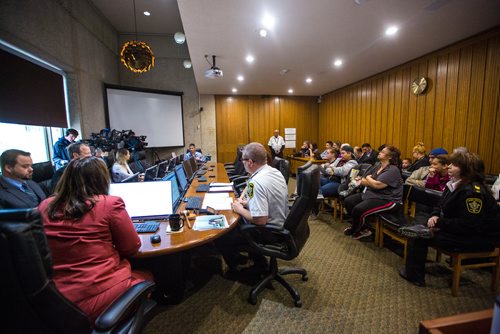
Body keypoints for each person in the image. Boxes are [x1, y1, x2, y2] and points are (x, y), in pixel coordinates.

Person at [39, 157, 152, 321]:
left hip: (54, 294)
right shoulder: (109, 204)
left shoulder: (44, 206)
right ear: (102, 179)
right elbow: (131, 248)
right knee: (147, 276)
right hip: (94, 291)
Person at [399, 151, 500, 287]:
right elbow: (440, 204)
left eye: (454, 165)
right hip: (460, 231)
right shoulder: (454, 184)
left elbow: (469, 224)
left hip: (476, 237)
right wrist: (435, 215)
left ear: (467, 169)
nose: (449, 167)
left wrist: (440, 223)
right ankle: (414, 271)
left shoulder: (473, 192)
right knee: (420, 229)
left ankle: (415, 276)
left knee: (419, 236)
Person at [216, 142, 289, 274]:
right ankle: (258, 261)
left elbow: (260, 220)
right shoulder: (273, 171)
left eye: (242, 161)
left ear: (250, 162)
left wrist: (239, 209)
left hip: (269, 231)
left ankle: (237, 267)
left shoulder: (256, 183)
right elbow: (259, 195)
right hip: (282, 223)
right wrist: (246, 202)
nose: (241, 164)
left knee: (223, 233)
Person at [343, 145, 403, 240]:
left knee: (358, 209)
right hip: (373, 194)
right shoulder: (378, 166)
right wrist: (368, 180)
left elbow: (377, 185)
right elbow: (363, 180)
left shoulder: (393, 170)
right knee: (348, 201)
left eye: (383, 152)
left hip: (388, 200)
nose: (379, 152)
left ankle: (356, 229)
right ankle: (364, 228)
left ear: (390, 157)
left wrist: (368, 178)